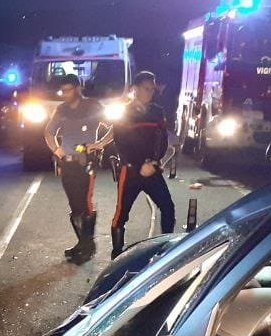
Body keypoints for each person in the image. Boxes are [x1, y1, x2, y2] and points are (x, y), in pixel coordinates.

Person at [109, 71, 178, 258]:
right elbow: (121, 143)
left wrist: (154, 162)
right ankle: (116, 254)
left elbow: (162, 140)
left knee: (168, 207)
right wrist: (139, 165)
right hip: (130, 171)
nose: (150, 93)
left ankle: (166, 248)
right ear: (135, 89)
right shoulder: (124, 112)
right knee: (121, 214)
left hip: (152, 170)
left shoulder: (157, 112)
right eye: (146, 89)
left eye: (152, 89)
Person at [44, 73, 112, 263]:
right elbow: (49, 132)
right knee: (74, 206)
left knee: (85, 203)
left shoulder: (93, 106)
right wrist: (56, 149)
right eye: (62, 90)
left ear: (78, 88)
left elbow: (115, 126)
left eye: (68, 90)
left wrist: (99, 144)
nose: (64, 94)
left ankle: (88, 246)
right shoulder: (61, 110)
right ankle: (82, 243)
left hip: (86, 161)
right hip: (68, 162)